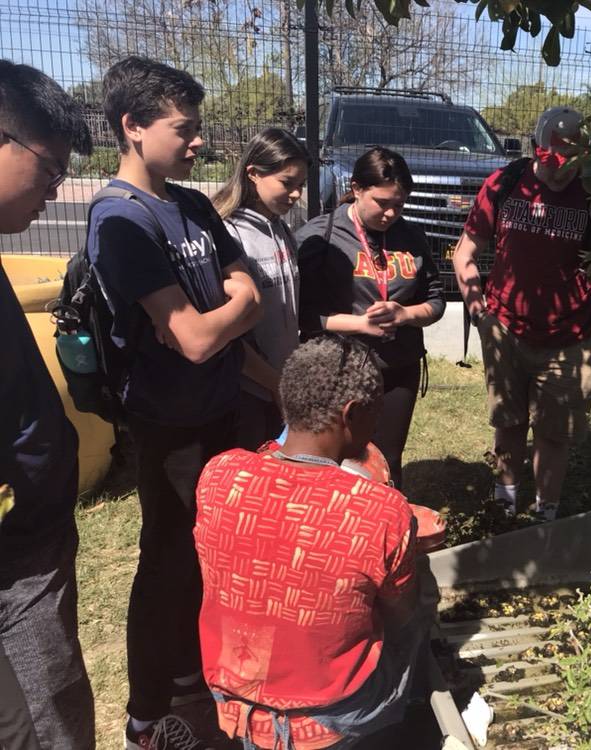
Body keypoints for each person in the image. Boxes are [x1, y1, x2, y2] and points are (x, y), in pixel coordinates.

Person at [90, 56, 261, 749]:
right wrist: (230, 310)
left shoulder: (189, 204)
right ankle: (146, 715)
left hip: (221, 411)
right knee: (166, 564)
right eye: (184, 129)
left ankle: (195, 681)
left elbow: (247, 287)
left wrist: (228, 308)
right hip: (169, 428)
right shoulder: (119, 219)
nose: (198, 142)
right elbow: (192, 340)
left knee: (213, 558)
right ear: (133, 126)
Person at [194, 334, 427, 750]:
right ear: (352, 413)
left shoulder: (220, 474)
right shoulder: (380, 509)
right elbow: (400, 612)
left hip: (237, 703)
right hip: (331, 715)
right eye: (375, 414)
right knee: (419, 612)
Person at [451, 106, 591, 521]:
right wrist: (480, 316)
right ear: (534, 148)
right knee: (508, 424)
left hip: (569, 340)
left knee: (554, 435)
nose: (561, 173)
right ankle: (504, 507)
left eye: (571, 163)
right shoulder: (504, 184)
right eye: (552, 161)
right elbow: (464, 254)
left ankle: (547, 515)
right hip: (504, 331)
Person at [0, 60, 96, 750]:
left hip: (34, 543)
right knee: (39, 726)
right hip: (15, 558)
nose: (56, 189)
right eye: (50, 167)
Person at [297, 147, 445, 489]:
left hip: (398, 369)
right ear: (357, 188)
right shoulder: (322, 236)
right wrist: (361, 325)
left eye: (400, 204)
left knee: (387, 462)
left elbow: (436, 300)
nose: (391, 213)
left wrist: (405, 314)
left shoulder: (411, 237)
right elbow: (303, 316)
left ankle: (386, 519)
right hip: (339, 371)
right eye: (382, 202)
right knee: (338, 461)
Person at [212, 128, 309, 449]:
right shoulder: (229, 234)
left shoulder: (282, 229)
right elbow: (230, 336)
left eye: (301, 185)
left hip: (280, 385)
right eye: (287, 183)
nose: (295, 194)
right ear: (253, 173)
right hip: (247, 391)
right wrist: (272, 382)